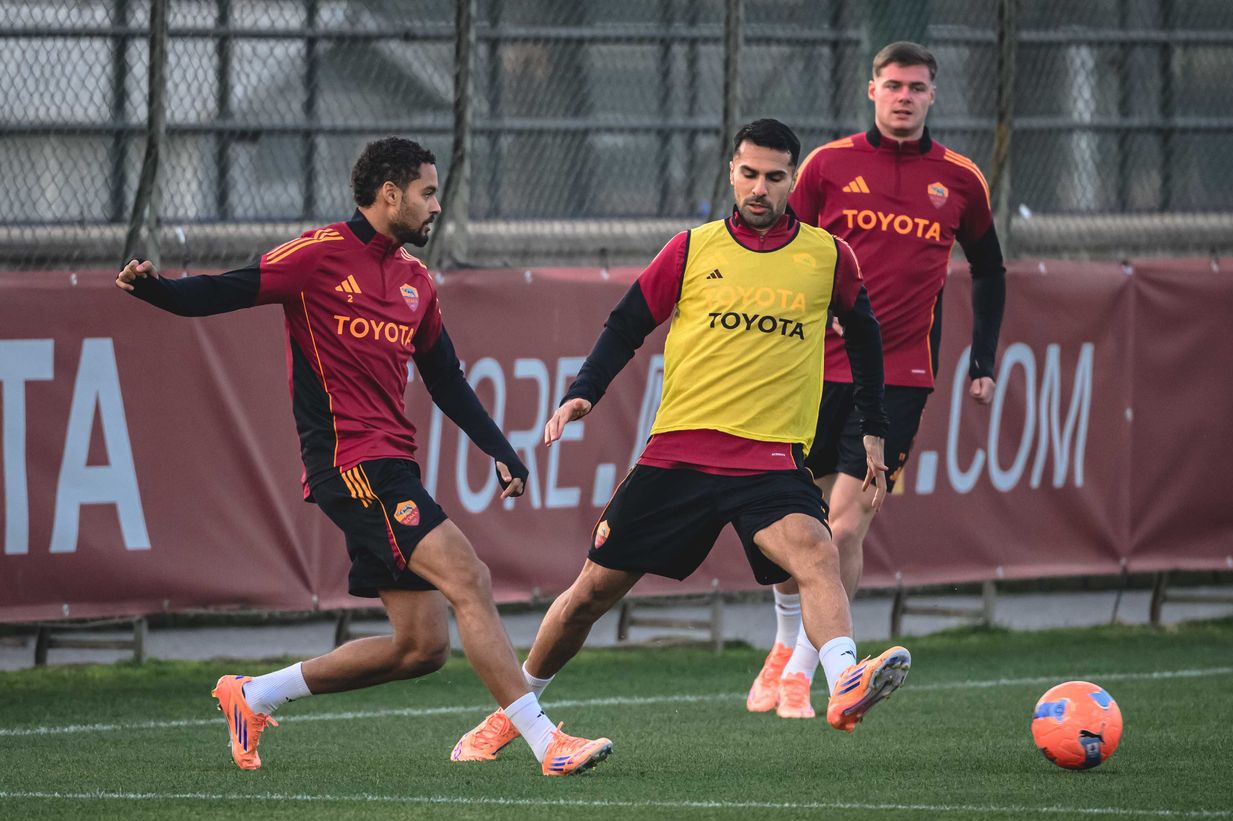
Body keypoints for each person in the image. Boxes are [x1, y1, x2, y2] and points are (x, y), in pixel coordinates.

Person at [114, 137, 612, 777]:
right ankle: (547, 744)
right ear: (390, 194)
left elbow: (446, 378)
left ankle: (253, 695)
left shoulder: (415, 279)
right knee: (471, 579)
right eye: (428, 193)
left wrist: (498, 448)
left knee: (421, 647)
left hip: (389, 466)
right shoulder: (319, 256)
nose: (436, 206)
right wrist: (157, 289)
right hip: (352, 464)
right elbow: (224, 291)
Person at [449, 118, 911, 763]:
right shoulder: (692, 249)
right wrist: (585, 389)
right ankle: (509, 715)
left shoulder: (828, 256)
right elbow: (628, 322)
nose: (760, 188)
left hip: (769, 460)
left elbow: (865, 339)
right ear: (731, 171)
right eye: (749, 173)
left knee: (817, 549)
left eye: (775, 177)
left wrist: (874, 431)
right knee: (587, 598)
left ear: (794, 180)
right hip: (679, 457)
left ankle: (843, 681)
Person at [745, 41, 1007, 719]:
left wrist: (982, 361)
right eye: (892, 85)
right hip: (810, 367)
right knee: (785, 517)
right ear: (871, 90)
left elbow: (989, 267)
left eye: (916, 87)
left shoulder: (960, 178)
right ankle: (783, 639)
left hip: (898, 376)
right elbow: (780, 243)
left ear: (931, 96)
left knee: (845, 526)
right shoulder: (827, 166)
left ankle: (805, 671)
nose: (903, 97)